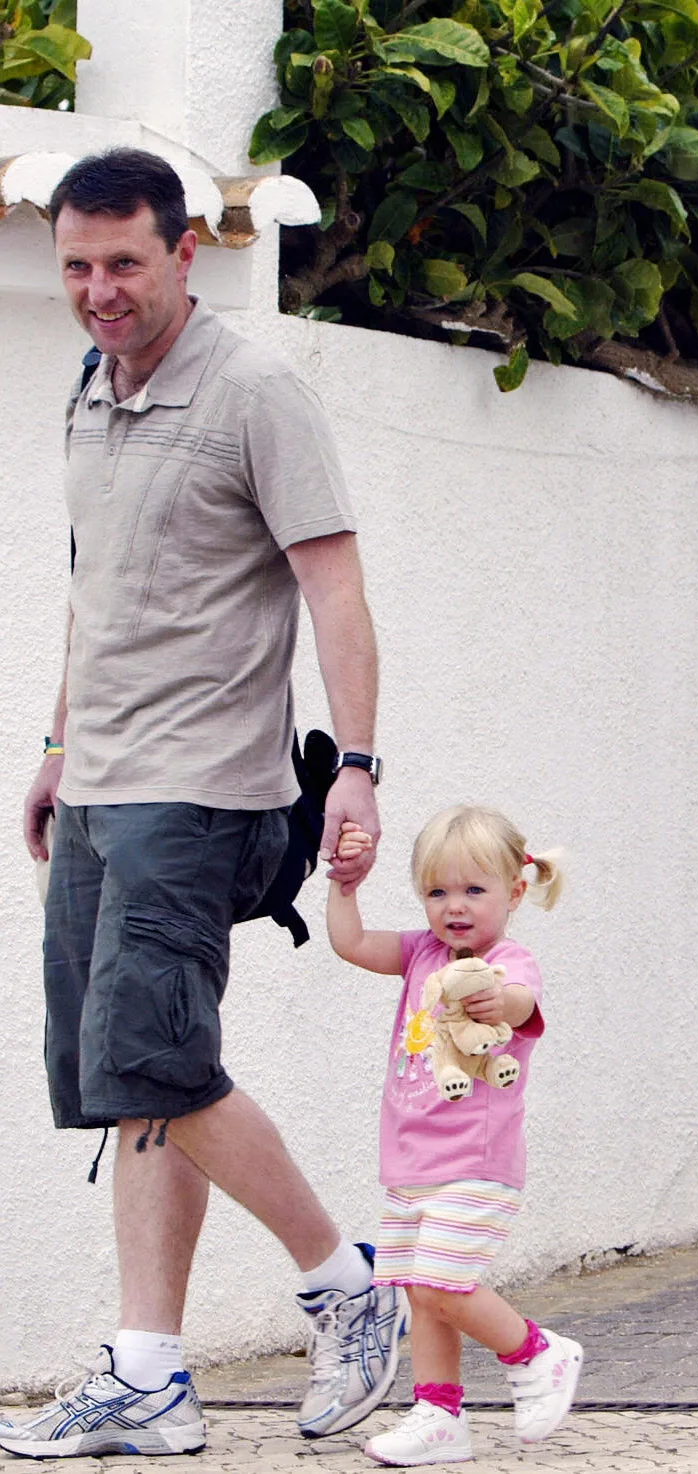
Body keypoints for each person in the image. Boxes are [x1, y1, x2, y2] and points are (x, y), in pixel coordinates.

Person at [7, 148, 400, 1459]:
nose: (98, 289)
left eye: (124, 262)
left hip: (204, 787)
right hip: (107, 780)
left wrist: (357, 762)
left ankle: (348, 1284)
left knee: (155, 1060)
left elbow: (334, 587)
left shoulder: (255, 391)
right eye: (76, 264)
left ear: (186, 252)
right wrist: (60, 737)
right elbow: (95, 585)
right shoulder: (88, 388)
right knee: (131, 1086)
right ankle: (147, 1369)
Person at [327, 806, 582, 1466]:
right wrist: (344, 888)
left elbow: (522, 1001)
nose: (454, 907)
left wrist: (502, 1003)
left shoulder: (508, 962)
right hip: (411, 1163)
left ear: (516, 892)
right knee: (421, 1292)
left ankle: (536, 1353)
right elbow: (350, 944)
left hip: (476, 1163)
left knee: (443, 1284)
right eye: (437, 892)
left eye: (474, 890)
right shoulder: (421, 955)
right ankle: (439, 1414)